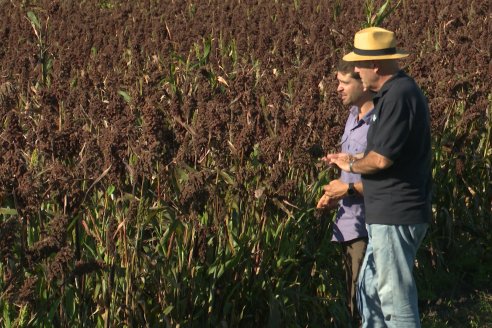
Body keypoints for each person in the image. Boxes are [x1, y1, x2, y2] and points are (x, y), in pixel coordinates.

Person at [326, 27, 432, 327]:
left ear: (375, 65)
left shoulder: (399, 95)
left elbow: (381, 159)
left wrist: (350, 167)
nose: (357, 70)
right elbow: (387, 151)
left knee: (395, 301)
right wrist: (347, 158)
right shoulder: (394, 94)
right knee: (369, 290)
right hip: (386, 213)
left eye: (359, 64)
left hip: (396, 213)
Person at [316, 59, 374, 326]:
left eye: (344, 82)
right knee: (351, 300)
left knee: (365, 303)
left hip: (368, 226)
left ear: (363, 82)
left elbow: (386, 179)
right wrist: (333, 194)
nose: (337, 88)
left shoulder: (379, 123)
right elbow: (351, 169)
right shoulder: (352, 116)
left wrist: (347, 190)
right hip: (347, 221)